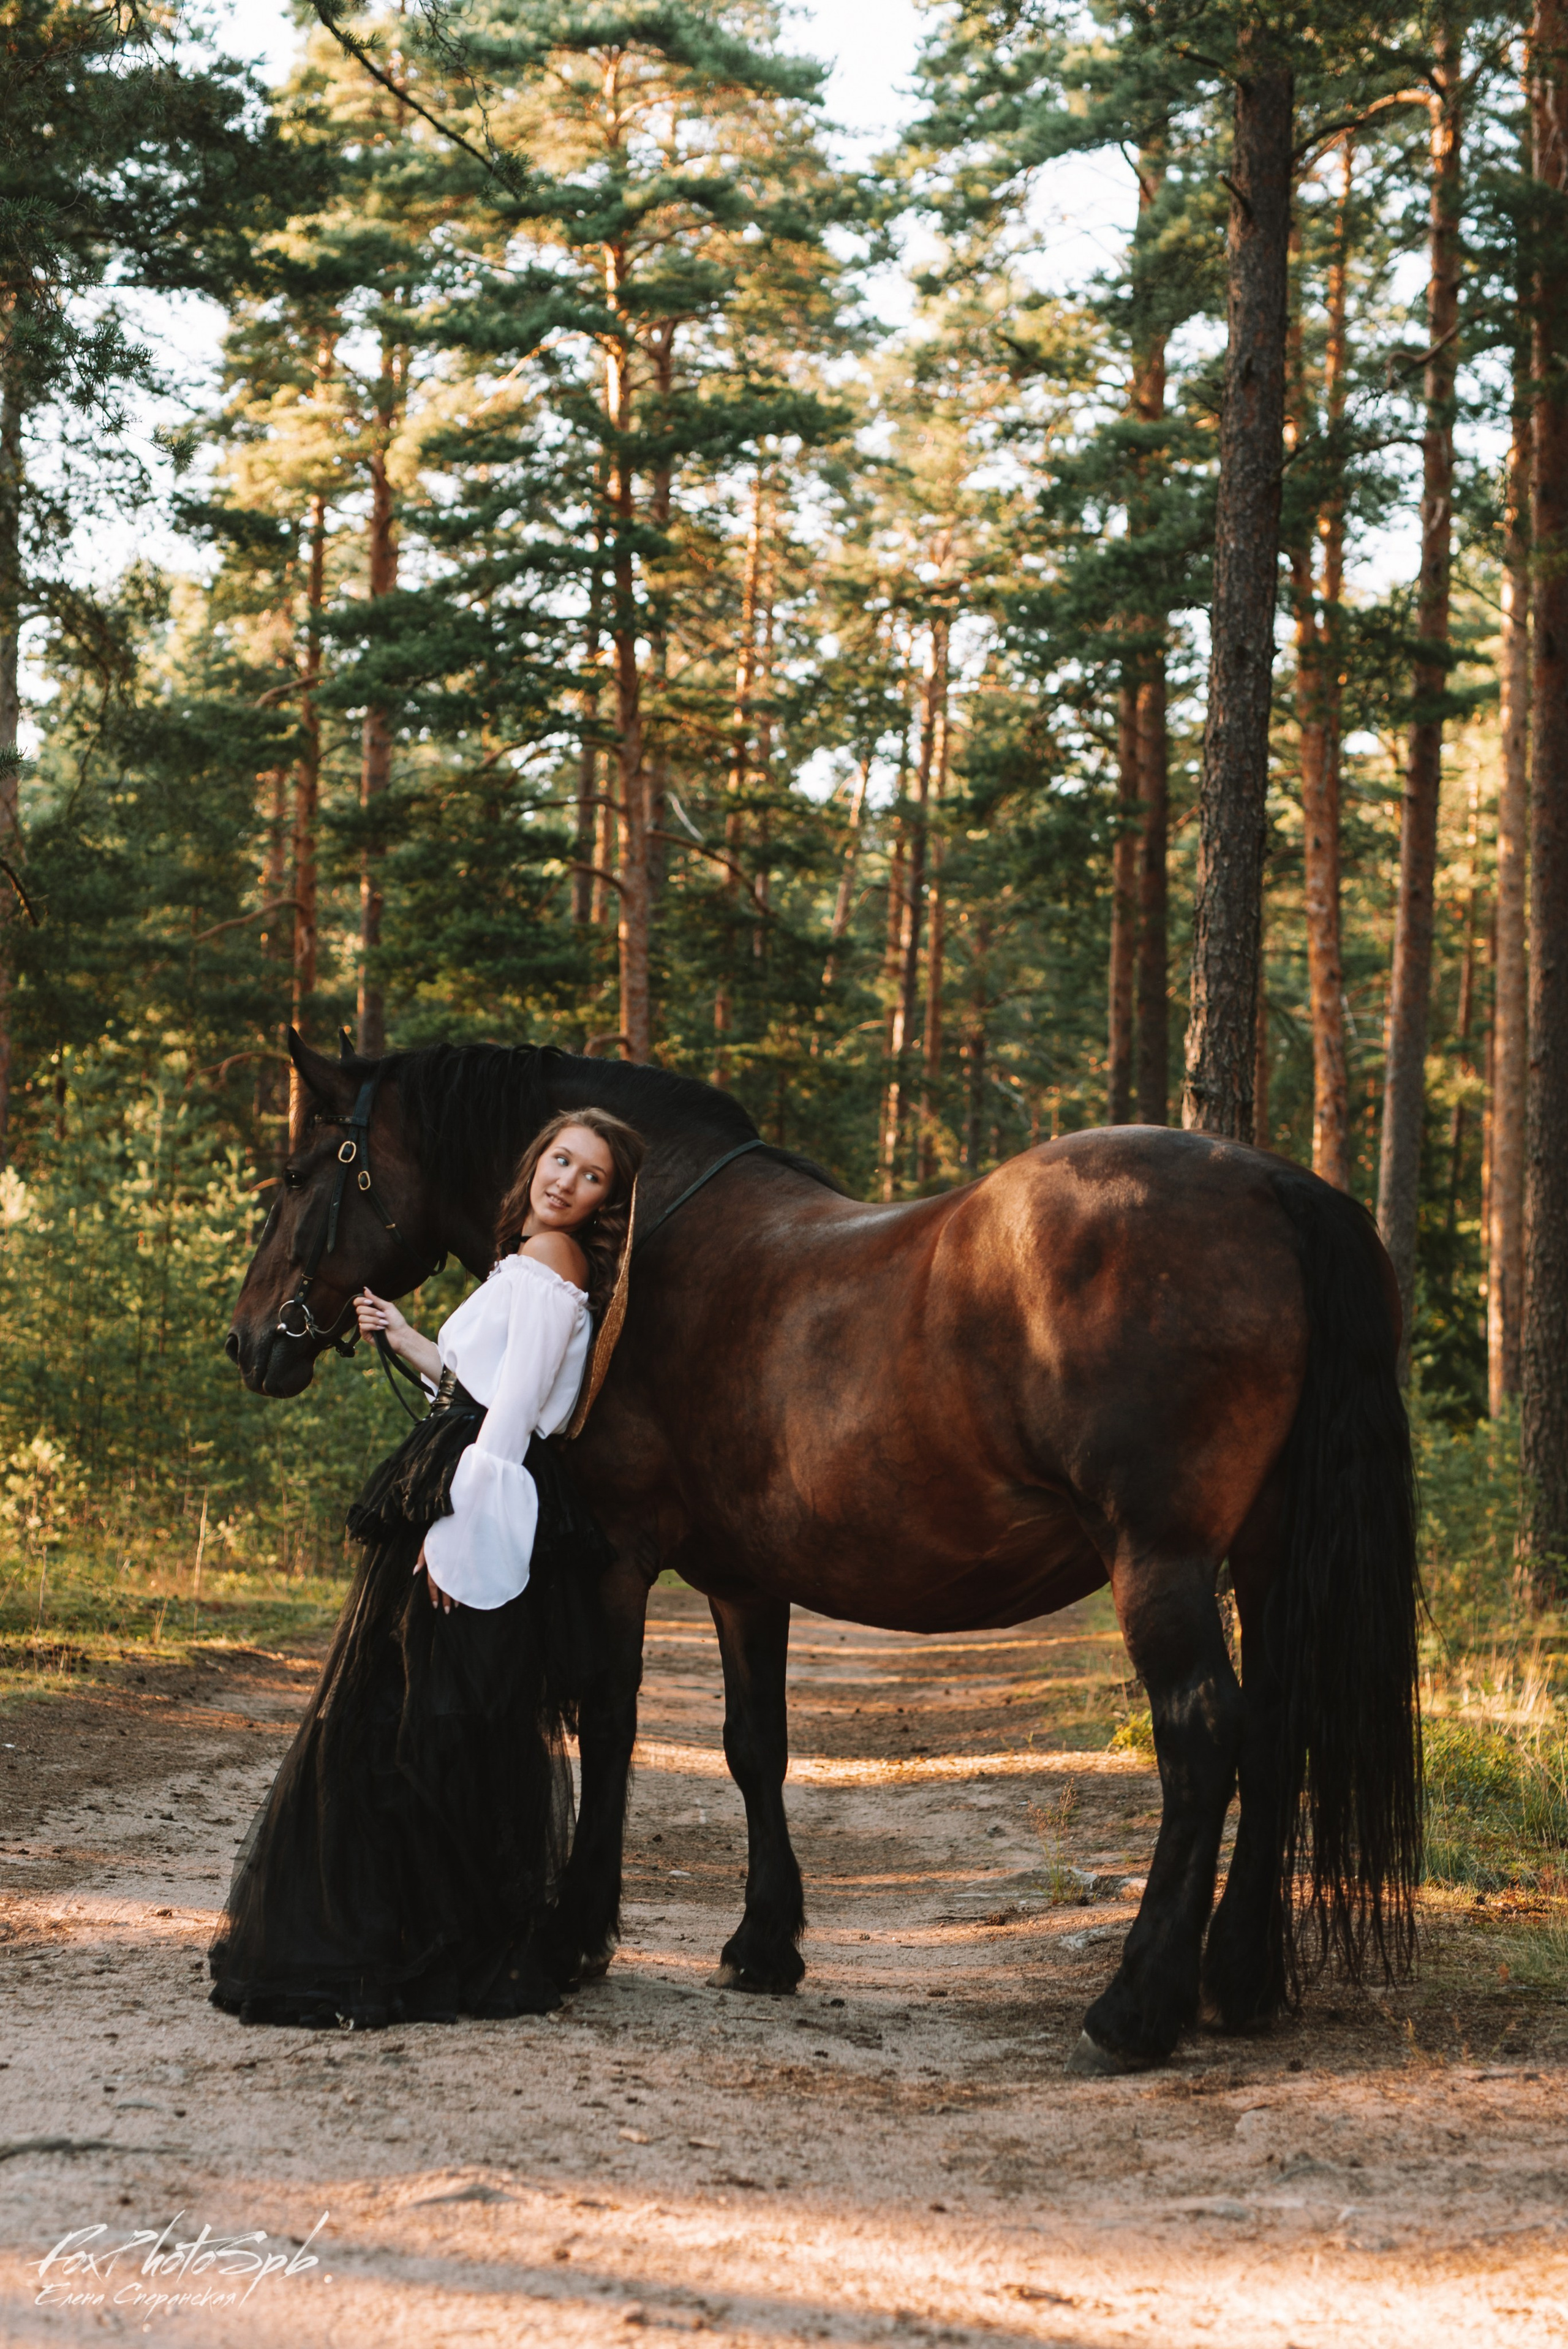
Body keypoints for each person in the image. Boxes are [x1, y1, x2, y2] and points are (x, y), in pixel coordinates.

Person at [209, 1106, 644, 2029]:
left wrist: (458, 1537)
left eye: (592, 1175)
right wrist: (407, 1335)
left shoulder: (554, 1264)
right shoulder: (525, 1263)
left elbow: (514, 1418)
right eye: (559, 1158)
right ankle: (415, 1935)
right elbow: (476, 1385)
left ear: (609, 1201)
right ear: (536, 1159)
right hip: (469, 1475)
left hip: (484, 1498)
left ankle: (428, 1946)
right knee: (425, 1723)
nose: (566, 1180)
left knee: (435, 1727)